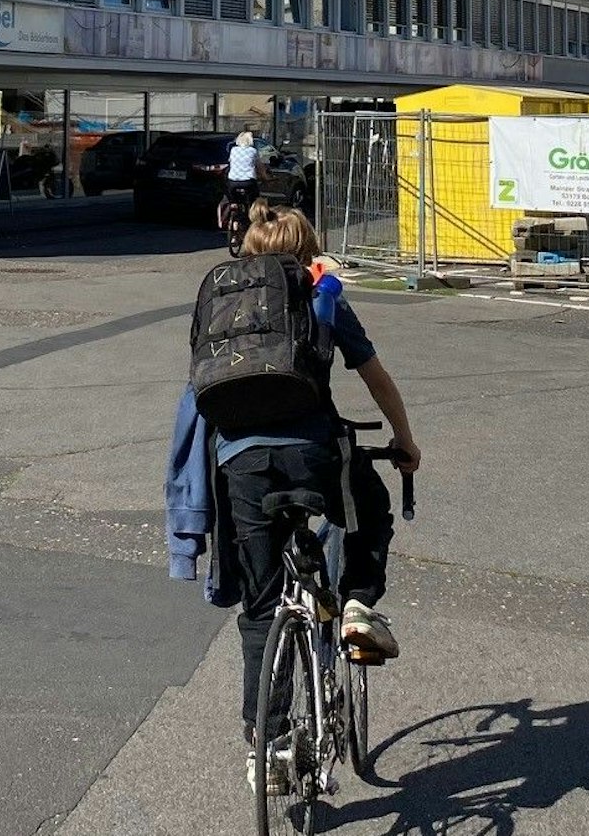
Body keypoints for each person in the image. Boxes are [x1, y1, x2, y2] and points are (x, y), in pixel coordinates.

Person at [166, 200, 422, 764]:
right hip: (314, 452)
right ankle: (357, 605)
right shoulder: (321, 292)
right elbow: (374, 375)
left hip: (240, 464)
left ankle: (269, 745)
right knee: (369, 504)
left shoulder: (222, 308)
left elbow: (196, 395)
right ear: (305, 250)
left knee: (259, 610)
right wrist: (405, 441)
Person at [220, 130, 266, 231]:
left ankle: (235, 221)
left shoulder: (233, 150)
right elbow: (260, 167)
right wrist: (264, 177)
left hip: (232, 182)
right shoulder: (253, 151)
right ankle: (252, 220)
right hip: (248, 182)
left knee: (235, 202)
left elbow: (231, 163)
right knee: (254, 201)